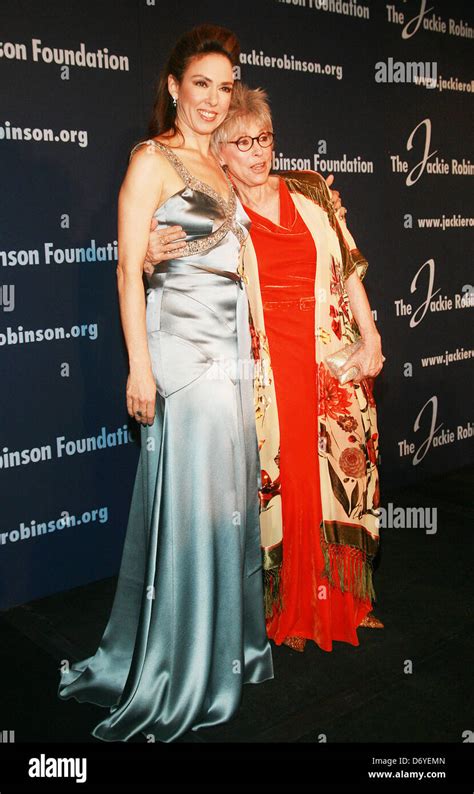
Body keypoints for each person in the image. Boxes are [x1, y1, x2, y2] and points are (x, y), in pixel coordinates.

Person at [57, 27, 273, 743]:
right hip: (182, 358)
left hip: (232, 356)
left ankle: (223, 650)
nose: (214, 99)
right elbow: (127, 268)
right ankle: (180, 668)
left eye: (225, 84)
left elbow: (248, 233)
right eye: (201, 84)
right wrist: (140, 366)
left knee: (225, 507)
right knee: (194, 509)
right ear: (174, 87)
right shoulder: (150, 159)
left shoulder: (217, 160)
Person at [144, 82, 384, 654]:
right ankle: (290, 610)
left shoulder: (311, 191)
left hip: (329, 358)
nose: (258, 151)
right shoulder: (211, 204)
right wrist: (150, 251)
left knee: (337, 482)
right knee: (284, 482)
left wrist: (373, 336)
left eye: (265, 138)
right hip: (261, 369)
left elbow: (349, 267)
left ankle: (344, 603)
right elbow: (159, 262)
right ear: (219, 151)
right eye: (242, 141)